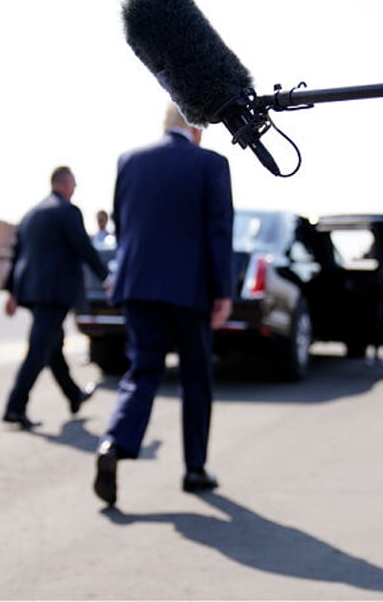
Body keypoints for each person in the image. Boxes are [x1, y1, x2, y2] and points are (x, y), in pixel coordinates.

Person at [93, 103, 234, 506]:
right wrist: (223, 293)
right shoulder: (210, 164)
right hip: (189, 292)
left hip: (138, 286)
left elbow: (122, 224)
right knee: (195, 379)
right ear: (197, 129)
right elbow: (219, 232)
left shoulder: (130, 160)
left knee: (142, 371)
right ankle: (194, 469)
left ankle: (114, 445)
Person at [1, 166, 110, 429]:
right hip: (54, 293)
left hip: (33, 292)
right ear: (66, 184)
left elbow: (16, 255)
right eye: (74, 185)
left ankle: (73, 395)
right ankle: (15, 407)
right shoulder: (66, 212)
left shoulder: (31, 214)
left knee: (52, 346)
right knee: (39, 349)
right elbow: (84, 248)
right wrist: (106, 277)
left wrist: (11, 292)